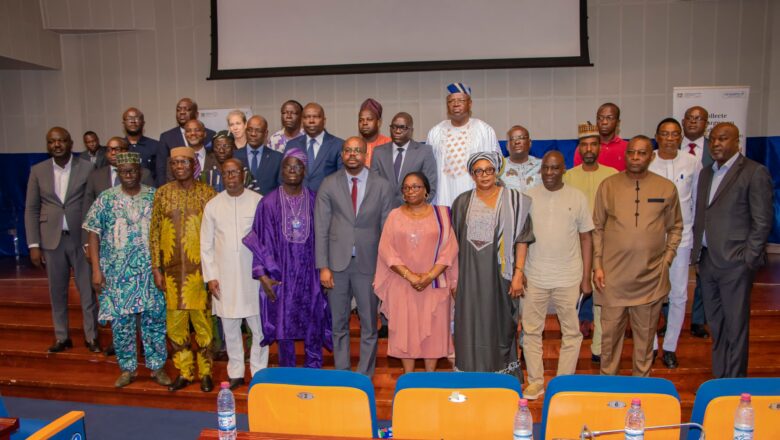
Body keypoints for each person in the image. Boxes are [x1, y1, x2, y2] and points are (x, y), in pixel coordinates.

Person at [592, 135, 683, 377]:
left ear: (651, 157)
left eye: (641, 153)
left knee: (644, 343)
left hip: (650, 279)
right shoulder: (608, 186)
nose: (635, 157)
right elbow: (598, 228)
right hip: (612, 279)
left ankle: (641, 392)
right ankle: (607, 389)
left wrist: (667, 260)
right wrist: (597, 265)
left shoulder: (666, 188)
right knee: (609, 343)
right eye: (631, 152)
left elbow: (676, 227)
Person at [691, 122, 774, 378]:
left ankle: (734, 384)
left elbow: (762, 221)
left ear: (737, 141)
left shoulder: (753, 172)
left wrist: (748, 259)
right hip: (707, 262)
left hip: (736, 263)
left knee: (736, 328)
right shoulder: (706, 173)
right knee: (717, 325)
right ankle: (720, 379)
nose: (716, 144)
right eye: (713, 139)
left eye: (723, 139)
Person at [83, 152, 171, 388]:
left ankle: (157, 367)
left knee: (155, 320)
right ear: (118, 173)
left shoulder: (154, 196)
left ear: (140, 171)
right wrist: (96, 270)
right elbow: (93, 233)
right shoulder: (106, 199)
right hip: (117, 274)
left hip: (150, 273)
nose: (129, 175)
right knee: (122, 324)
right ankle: (127, 368)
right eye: (124, 171)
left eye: (133, 170)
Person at [243, 149, 333, 368]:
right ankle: (288, 373)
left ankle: (314, 371)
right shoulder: (268, 202)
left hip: (309, 275)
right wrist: (262, 274)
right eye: (288, 166)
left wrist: (326, 268)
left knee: (313, 320)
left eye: (298, 166)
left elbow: (327, 235)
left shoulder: (315, 200)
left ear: (305, 170)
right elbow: (259, 239)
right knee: (283, 325)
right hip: (280, 274)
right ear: (281, 170)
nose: (292, 170)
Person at [451, 151, 534, 381]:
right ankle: (469, 376)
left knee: (499, 326)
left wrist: (518, 274)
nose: (484, 175)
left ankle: (501, 378)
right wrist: (456, 279)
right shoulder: (462, 202)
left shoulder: (515, 200)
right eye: (479, 171)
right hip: (469, 277)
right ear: (472, 175)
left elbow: (522, 240)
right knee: (469, 325)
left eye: (489, 170)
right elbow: (454, 245)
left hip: (499, 278)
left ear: (496, 170)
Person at [315, 137, 394, 376]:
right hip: (336, 266)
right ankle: (342, 373)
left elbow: (387, 230)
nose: (352, 154)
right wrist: (323, 266)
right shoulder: (329, 184)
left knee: (369, 323)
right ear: (342, 154)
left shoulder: (382, 185)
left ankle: (364, 376)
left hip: (369, 264)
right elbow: (321, 227)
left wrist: (384, 269)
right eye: (348, 150)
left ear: (365, 155)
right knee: (339, 324)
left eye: (357, 150)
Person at [522, 151, 592, 400]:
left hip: (568, 277)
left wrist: (586, 277)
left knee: (571, 333)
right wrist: (520, 272)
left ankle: (563, 383)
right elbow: (520, 239)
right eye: (545, 168)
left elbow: (586, 237)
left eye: (555, 168)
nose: (549, 173)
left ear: (564, 169)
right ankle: (535, 382)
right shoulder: (528, 197)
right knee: (530, 331)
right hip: (535, 275)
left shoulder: (578, 197)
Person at [25, 127, 100, 353]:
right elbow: (31, 208)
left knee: (87, 290)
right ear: (48, 145)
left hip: (80, 239)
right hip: (51, 241)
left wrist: (91, 241)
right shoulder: (37, 170)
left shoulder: (87, 168)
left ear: (70, 143)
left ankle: (92, 337)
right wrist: (33, 244)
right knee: (56, 291)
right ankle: (61, 336)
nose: (56, 145)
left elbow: (94, 205)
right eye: (51, 142)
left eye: (61, 141)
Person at [374, 172, 458, 373]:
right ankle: (408, 378)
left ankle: (429, 379)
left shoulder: (443, 215)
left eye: (416, 186)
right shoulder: (394, 216)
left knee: (435, 332)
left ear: (426, 190)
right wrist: (410, 276)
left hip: (434, 283)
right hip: (403, 284)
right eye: (407, 187)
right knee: (405, 331)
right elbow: (386, 249)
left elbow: (450, 249)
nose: (411, 191)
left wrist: (429, 276)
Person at [150, 146, 217, 392]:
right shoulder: (162, 194)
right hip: (171, 273)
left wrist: (214, 272)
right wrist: (156, 268)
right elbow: (154, 233)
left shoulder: (208, 193)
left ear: (194, 166)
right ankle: (185, 372)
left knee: (203, 325)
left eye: (184, 163)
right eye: (175, 163)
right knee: (176, 326)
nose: (179, 167)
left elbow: (215, 235)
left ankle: (206, 372)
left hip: (200, 272)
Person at [201, 159, 269, 389]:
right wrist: (210, 276)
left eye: (235, 172)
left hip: (253, 277)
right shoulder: (213, 205)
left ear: (243, 174)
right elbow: (206, 245)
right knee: (230, 328)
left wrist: (267, 274)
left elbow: (267, 242)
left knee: (259, 327)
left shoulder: (258, 202)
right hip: (224, 278)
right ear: (222, 175)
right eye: (227, 173)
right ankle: (236, 371)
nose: (231, 177)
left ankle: (259, 371)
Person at [562, 122, 618, 363]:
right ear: (579, 148)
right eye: (584, 144)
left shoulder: (612, 176)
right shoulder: (568, 176)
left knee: (601, 298)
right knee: (573, 299)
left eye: (593, 144)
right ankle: (571, 347)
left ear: (599, 147)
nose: (588, 148)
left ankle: (599, 348)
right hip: (575, 246)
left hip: (605, 246)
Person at [649, 118, 702, 369]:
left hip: (682, 236)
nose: (670, 138)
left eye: (674, 134)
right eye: (664, 134)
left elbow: (698, 200)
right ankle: (651, 346)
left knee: (679, 294)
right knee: (650, 293)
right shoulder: (648, 160)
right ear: (657, 136)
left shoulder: (692, 162)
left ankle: (670, 347)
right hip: (651, 239)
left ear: (681, 137)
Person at [427, 83, 500, 206]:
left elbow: (496, 166)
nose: (456, 104)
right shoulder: (435, 132)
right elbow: (428, 170)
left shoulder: (484, 130)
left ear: (470, 103)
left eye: (461, 100)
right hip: (443, 198)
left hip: (477, 200)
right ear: (447, 105)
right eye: (451, 101)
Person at [682, 105, 713, 339]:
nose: (693, 122)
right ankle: (665, 317)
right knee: (672, 272)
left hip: (705, 218)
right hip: (677, 221)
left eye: (699, 119)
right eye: (690, 118)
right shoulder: (666, 149)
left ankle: (699, 319)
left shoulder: (715, 150)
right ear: (683, 122)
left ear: (706, 123)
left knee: (702, 269)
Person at [370, 112, 438, 207]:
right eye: (394, 127)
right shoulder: (378, 152)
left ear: (411, 130)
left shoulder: (424, 152)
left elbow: (430, 187)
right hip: (385, 213)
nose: (397, 131)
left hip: (414, 213)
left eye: (403, 127)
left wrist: (416, 209)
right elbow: (373, 186)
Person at [83, 137, 154, 225]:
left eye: (117, 149)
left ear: (127, 151)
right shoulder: (95, 177)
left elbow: (152, 206)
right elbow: (88, 212)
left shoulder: (143, 174)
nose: (112, 153)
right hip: (105, 232)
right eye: (108, 150)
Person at [285, 103, 344, 192]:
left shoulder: (338, 145)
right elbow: (283, 177)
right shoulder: (292, 145)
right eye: (307, 117)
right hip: (297, 202)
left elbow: (342, 179)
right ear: (302, 121)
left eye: (316, 117)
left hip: (327, 202)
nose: (311, 121)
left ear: (324, 120)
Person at [158, 98, 216, 185]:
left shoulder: (211, 135)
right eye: (178, 110)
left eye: (187, 109)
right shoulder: (166, 137)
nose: (182, 112)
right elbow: (161, 170)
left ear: (196, 114)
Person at [233, 115, 283, 195]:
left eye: (258, 131)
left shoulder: (277, 158)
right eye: (249, 130)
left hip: (268, 206)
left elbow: (281, 189)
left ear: (266, 133)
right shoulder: (234, 157)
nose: (253, 134)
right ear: (246, 131)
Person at [573, 103, 628, 171]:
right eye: (600, 118)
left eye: (609, 118)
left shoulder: (627, 147)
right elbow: (578, 175)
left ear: (618, 122)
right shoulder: (584, 149)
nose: (604, 122)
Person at [123, 107, 163, 185]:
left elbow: (160, 173)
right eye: (129, 119)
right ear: (123, 123)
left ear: (143, 122)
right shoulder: (119, 147)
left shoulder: (156, 145)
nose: (133, 121)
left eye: (136, 118)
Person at [501, 125, 541, 193]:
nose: (517, 142)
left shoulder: (543, 165)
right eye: (512, 139)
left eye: (521, 138)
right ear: (507, 146)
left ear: (530, 143)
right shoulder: (499, 167)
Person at [358, 98, 391, 166]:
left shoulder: (389, 144)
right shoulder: (353, 145)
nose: (364, 123)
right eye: (361, 120)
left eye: (369, 119)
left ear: (379, 122)